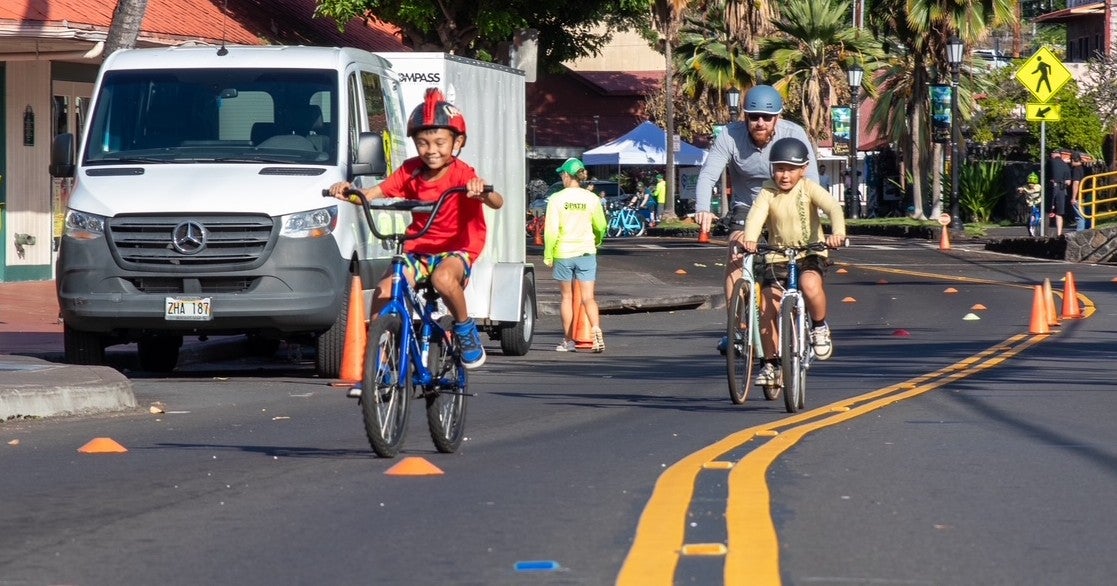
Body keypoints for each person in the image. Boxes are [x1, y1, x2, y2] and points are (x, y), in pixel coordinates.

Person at [328, 88, 504, 369]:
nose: (431, 150)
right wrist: (347, 191)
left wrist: (481, 191)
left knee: (443, 281)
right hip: (418, 249)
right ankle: (380, 357)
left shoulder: (462, 173)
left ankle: (464, 327)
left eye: (439, 142)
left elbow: (497, 201)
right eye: (423, 143)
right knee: (384, 290)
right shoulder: (410, 170)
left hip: (455, 251)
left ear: (458, 142)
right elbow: (372, 193)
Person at [692, 84, 819, 353]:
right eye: (753, 116)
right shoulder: (730, 135)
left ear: (778, 118)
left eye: (766, 117)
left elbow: (813, 181)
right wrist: (703, 207)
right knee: (736, 254)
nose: (759, 123)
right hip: (747, 207)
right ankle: (737, 328)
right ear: (744, 117)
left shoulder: (794, 134)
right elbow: (708, 175)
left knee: (781, 273)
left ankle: (799, 320)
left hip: (786, 208)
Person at [739, 137, 846, 385]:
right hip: (777, 254)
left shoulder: (808, 188)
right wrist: (751, 240)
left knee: (810, 285)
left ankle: (819, 326)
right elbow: (755, 217)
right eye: (779, 168)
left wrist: (837, 233)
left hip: (810, 252)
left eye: (791, 169)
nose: (784, 175)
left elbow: (832, 207)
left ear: (803, 169)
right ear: (772, 169)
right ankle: (770, 364)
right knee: (767, 307)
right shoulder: (767, 191)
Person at [543, 158, 608, 353]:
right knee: (588, 297)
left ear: (566, 175)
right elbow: (601, 225)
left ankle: (568, 341)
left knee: (566, 298)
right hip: (587, 250)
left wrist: (548, 254)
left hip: (563, 252)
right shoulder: (592, 198)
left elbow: (551, 231)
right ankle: (595, 330)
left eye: (562, 174)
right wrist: (597, 239)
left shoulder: (557, 199)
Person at [1047, 149, 1072, 236]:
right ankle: (1059, 233)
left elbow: (1045, 175)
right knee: (1059, 213)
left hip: (1051, 188)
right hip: (1061, 189)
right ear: (1060, 155)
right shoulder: (1066, 165)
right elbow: (1068, 182)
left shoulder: (1050, 163)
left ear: (1053, 155)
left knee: (1047, 210)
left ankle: (1044, 232)